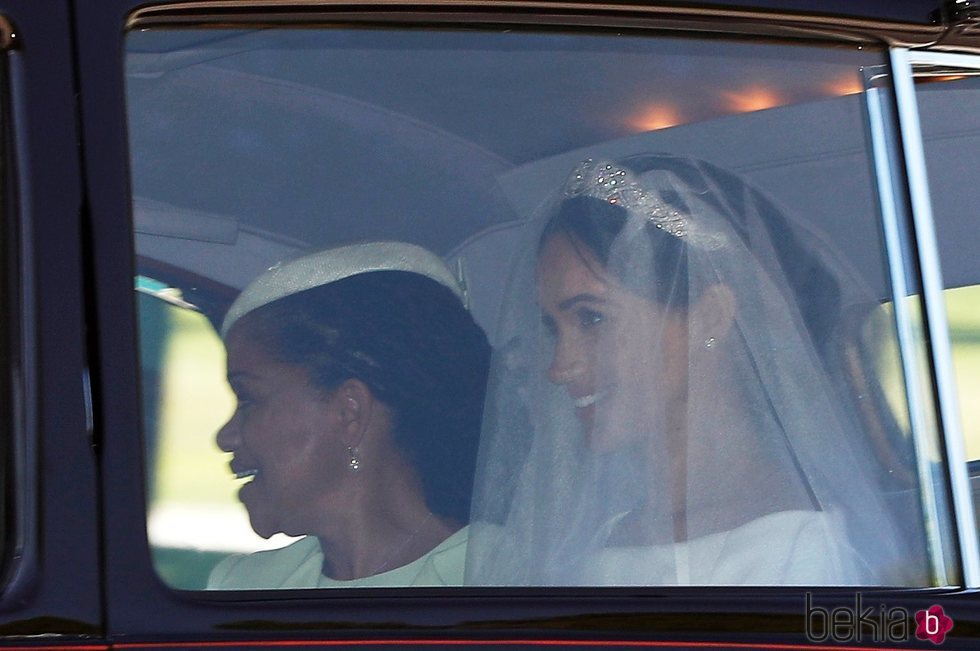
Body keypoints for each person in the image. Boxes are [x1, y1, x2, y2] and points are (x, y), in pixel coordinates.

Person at [466, 154, 930, 586]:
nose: (558, 368)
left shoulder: (800, 545)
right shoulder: (589, 535)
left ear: (710, 317)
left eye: (592, 318)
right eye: (553, 327)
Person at [208, 241, 491, 588]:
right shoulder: (241, 585)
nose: (226, 437)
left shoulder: (505, 575)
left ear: (348, 412)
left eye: (248, 399)